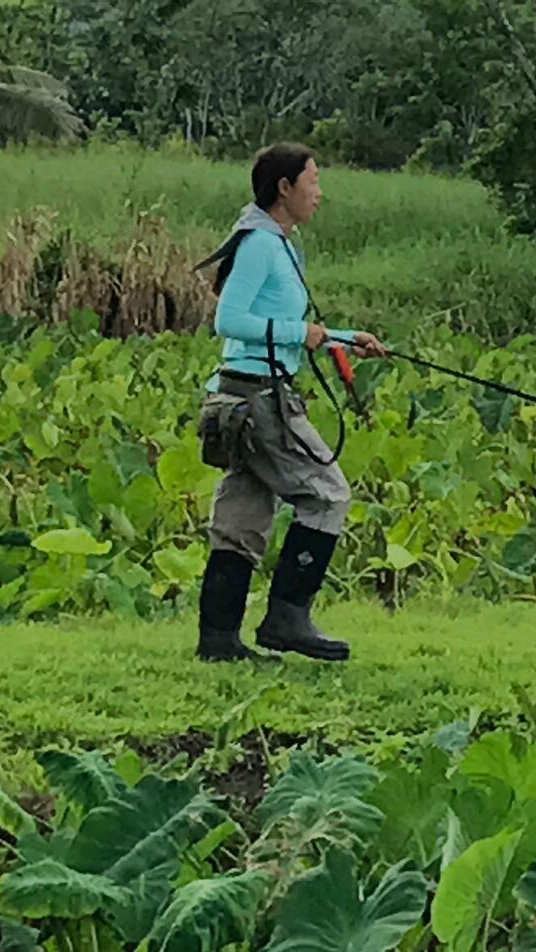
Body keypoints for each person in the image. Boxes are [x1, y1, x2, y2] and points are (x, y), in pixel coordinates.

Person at [195, 142, 386, 663]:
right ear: (285, 188)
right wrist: (300, 332)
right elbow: (228, 322)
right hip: (259, 399)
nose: (319, 193)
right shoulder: (259, 244)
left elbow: (288, 331)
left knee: (241, 518)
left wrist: (346, 338)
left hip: (240, 394)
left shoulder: (277, 242)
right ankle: (287, 619)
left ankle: (218, 642)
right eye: (313, 180)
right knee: (327, 495)